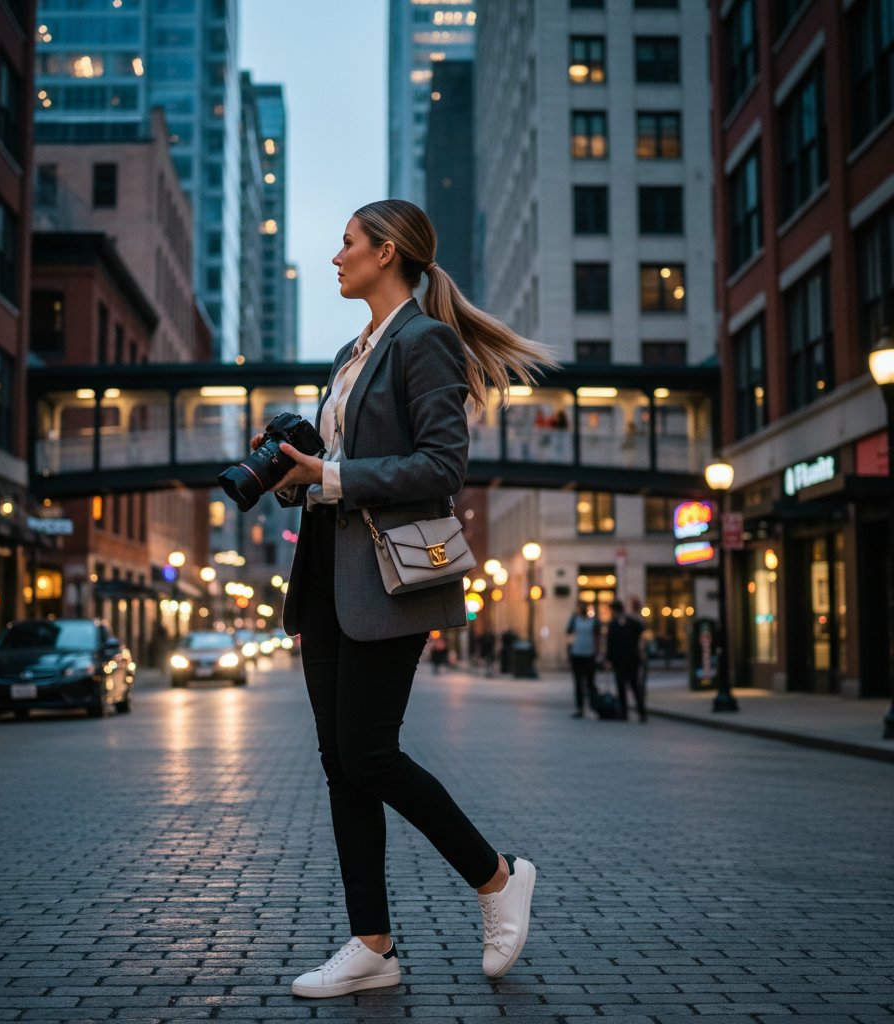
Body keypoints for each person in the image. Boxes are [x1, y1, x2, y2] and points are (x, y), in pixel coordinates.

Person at [256, 199, 550, 999]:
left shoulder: (426, 341)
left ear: (386, 252)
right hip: (326, 575)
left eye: (347, 242)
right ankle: (372, 945)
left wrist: (332, 476)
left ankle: (496, 878)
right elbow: (340, 469)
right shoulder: (349, 355)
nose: (336, 256)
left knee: (369, 753)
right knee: (340, 765)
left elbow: (442, 466)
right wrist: (296, 477)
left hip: (389, 579)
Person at [604, 599, 647, 722]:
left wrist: (608, 659)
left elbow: (610, 643)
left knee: (621, 686)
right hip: (632, 658)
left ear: (614, 610)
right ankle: (641, 712)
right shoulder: (631, 621)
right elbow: (642, 628)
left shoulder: (613, 624)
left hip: (619, 660)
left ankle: (624, 713)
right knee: (634, 685)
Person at [565, 598, 599, 717]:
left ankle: (593, 705)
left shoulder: (593, 620)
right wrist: (569, 651)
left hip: (589, 654)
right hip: (577, 654)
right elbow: (568, 634)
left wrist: (597, 652)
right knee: (578, 682)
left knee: (590, 683)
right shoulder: (574, 620)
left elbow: (597, 637)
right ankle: (580, 707)